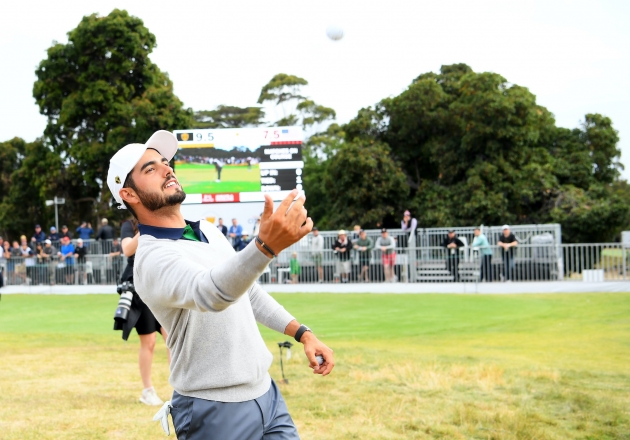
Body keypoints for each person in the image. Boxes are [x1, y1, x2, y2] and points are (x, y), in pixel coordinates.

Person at [107, 131, 334, 439]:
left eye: (164, 161)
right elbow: (211, 293)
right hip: (212, 408)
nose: (167, 168)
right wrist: (264, 247)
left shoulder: (208, 230)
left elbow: (248, 292)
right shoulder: (152, 256)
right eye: (150, 168)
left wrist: (303, 333)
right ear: (129, 195)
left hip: (267, 394)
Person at [117, 217, 171, 406]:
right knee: (149, 342)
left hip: (161, 282)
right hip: (139, 285)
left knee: (172, 338)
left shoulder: (164, 219)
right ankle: (147, 391)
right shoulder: (129, 225)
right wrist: (147, 228)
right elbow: (127, 249)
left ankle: (181, 388)